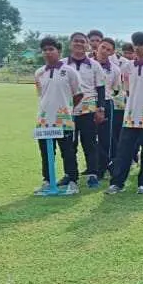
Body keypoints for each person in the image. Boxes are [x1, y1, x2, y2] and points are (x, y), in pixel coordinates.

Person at [107, 32, 143, 195]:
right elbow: (126, 90)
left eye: (142, 44)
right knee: (124, 151)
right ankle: (117, 183)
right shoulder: (126, 67)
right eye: (136, 44)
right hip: (131, 117)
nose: (138, 47)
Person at [34, 37, 81, 196]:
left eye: (51, 49)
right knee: (46, 152)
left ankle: (73, 180)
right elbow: (41, 94)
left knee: (67, 151)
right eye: (45, 50)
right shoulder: (39, 72)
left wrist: (65, 108)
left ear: (59, 51)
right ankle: (47, 180)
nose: (47, 53)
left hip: (64, 119)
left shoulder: (69, 71)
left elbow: (78, 94)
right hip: (44, 119)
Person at [64, 32, 108, 188]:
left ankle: (92, 174)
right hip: (67, 111)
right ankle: (70, 175)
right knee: (69, 144)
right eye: (76, 41)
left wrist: (100, 108)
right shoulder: (63, 65)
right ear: (70, 44)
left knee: (89, 143)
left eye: (82, 42)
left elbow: (101, 88)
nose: (79, 44)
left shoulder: (94, 65)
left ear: (87, 45)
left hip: (88, 109)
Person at [96, 37, 121, 176]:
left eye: (108, 49)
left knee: (105, 137)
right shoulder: (87, 64)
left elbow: (116, 89)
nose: (104, 51)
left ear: (112, 52)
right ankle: (92, 167)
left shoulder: (115, 70)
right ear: (97, 46)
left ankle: (103, 167)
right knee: (89, 137)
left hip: (106, 102)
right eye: (103, 47)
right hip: (87, 103)